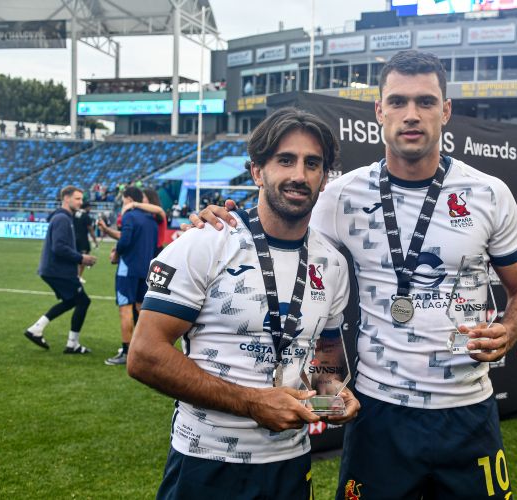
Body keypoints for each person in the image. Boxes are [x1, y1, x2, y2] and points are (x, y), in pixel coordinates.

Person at [196, 50, 517, 498]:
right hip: (379, 410)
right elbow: (279, 232)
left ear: (445, 111)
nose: (411, 114)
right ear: (379, 110)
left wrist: (509, 330)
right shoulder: (341, 195)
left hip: (467, 410)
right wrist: (223, 220)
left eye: (425, 102)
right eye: (397, 101)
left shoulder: (488, 194)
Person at [127, 108, 359, 499]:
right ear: (257, 172)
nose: (299, 175)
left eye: (312, 164)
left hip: (290, 464)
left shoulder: (332, 264)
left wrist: (334, 394)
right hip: (206, 462)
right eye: (285, 160)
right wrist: (252, 403)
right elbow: (144, 356)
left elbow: (326, 362)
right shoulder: (207, 241)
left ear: (323, 179)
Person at [24, 186, 97, 354]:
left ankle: (37, 329)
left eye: (81, 199)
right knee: (83, 301)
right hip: (58, 270)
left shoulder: (64, 217)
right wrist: (81, 258)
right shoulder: (62, 219)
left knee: (72, 301)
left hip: (53, 269)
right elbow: (59, 247)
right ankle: (72, 344)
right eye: (77, 199)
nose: (80, 202)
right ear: (66, 198)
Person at [97, 186, 157, 366]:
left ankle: (126, 351)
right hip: (145, 269)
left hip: (128, 268)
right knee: (141, 309)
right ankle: (147, 347)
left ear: (129, 199)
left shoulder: (129, 216)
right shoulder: (151, 219)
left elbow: (125, 240)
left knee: (125, 309)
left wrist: (116, 252)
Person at [73, 201, 98, 282]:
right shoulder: (86, 216)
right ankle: (79, 276)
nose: (90, 209)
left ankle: (74, 275)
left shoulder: (74, 214)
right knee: (83, 257)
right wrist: (95, 240)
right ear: (86, 207)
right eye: (89, 207)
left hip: (73, 238)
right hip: (82, 239)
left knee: (74, 256)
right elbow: (90, 229)